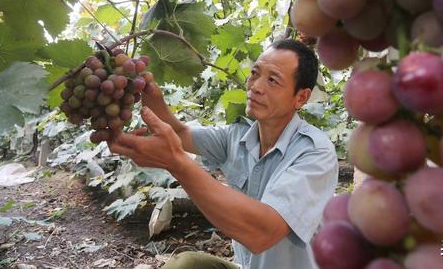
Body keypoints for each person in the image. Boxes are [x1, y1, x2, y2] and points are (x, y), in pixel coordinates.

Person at [91, 39, 339, 269]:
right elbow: (181, 133)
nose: (255, 87)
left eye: (273, 80)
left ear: (301, 97)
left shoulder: (314, 152)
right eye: (255, 74)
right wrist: (149, 93)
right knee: (185, 265)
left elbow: (263, 232)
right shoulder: (237, 136)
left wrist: (175, 162)